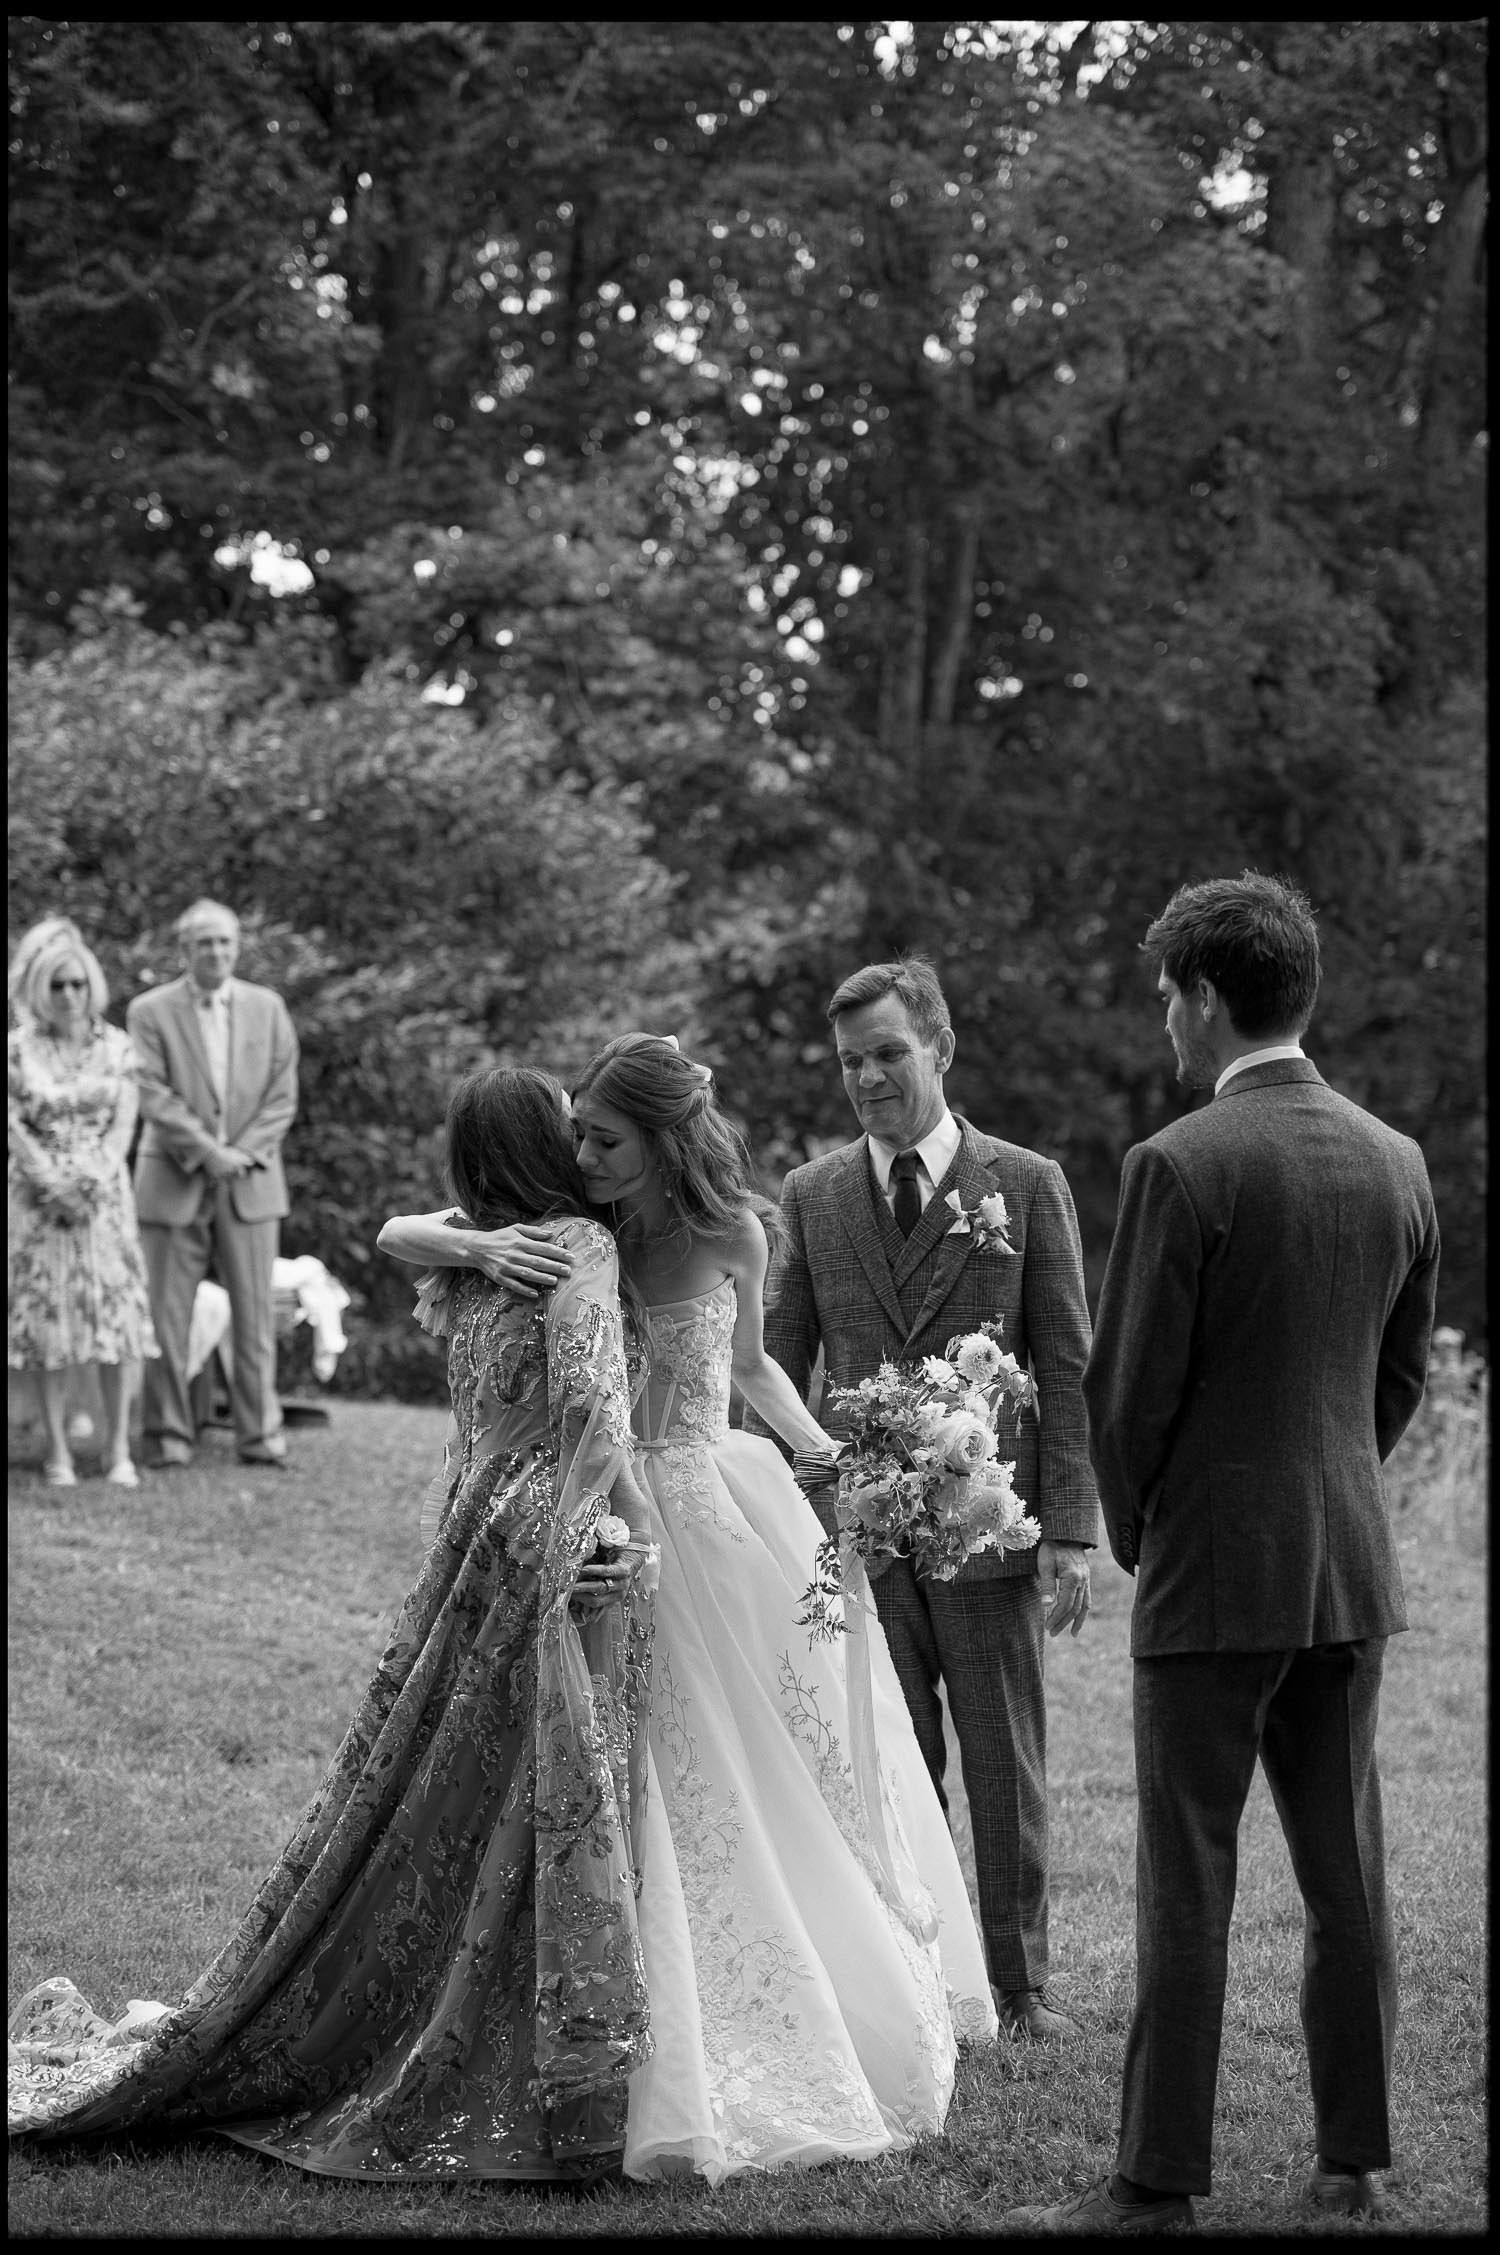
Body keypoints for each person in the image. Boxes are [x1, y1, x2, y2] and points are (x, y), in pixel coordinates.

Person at [9, 1067, 660, 2183]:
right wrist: (618, 1536)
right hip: (545, 1525)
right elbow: (598, 1414)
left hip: (471, 1523)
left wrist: (469, 1245)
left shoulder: (484, 1253)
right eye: (568, 1127)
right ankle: (532, 2048)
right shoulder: (574, 1250)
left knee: (439, 1777)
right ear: (541, 1151)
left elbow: (404, 1235)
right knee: (532, 1785)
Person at [377, 1032, 999, 2183]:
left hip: (714, 1492)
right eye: (577, 1137)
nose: (583, 1154)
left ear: (664, 1141)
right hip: (611, 1502)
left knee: (760, 1753)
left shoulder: (735, 1231)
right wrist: (440, 1231)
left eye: (604, 1139)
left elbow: (756, 1367)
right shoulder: (584, 1231)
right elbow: (411, 1231)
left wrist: (839, 1457)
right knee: (637, 1753)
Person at [1006, 872, 1440, 2235]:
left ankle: (1156, 2183)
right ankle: (1353, 2162)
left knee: (1189, 1871)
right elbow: (1399, 1380)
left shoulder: (1182, 1161)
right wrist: (1331, 1488)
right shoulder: (1398, 1157)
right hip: (1348, 1561)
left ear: (1203, 997)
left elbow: (1128, 1399)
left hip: (1213, 1569)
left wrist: (1150, 1530)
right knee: (1344, 1866)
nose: (1163, 1026)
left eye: (1163, 998)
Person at [750, 954, 1098, 2045]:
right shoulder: (811, 1193)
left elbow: (1069, 1363)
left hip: (989, 1529)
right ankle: (910, 1973)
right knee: (888, 1762)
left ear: (941, 1046)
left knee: (1004, 1763)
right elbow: (772, 1364)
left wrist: (1071, 1531)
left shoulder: (1027, 1182)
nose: (867, 1078)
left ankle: (1021, 1983)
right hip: (862, 1536)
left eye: (888, 1054)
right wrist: (781, 1511)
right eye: (850, 1062)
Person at [126, 900, 298, 1470]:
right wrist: (208, 1153)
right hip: (172, 1176)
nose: (216, 953)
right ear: (185, 950)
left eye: (225, 942)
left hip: (251, 1181)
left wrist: (239, 1155)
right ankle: (167, 1439)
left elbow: (281, 1096)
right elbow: (151, 1092)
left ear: (237, 946)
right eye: (204, 944)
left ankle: (261, 1438)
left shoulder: (268, 1007)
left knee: (254, 1320)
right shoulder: (149, 1011)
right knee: (166, 1321)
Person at [8, 920, 159, 1487]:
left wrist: (89, 1185)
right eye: (57, 986)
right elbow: (13, 1125)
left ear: (90, 984)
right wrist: (52, 1183)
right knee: (50, 1325)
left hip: (103, 1202)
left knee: (114, 1321)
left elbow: (124, 1125)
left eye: (77, 984)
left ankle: (117, 1447)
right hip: (36, 1200)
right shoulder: (18, 1049)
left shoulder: (117, 1046)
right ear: (40, 989)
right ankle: (57, 1452)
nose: (69, 995)